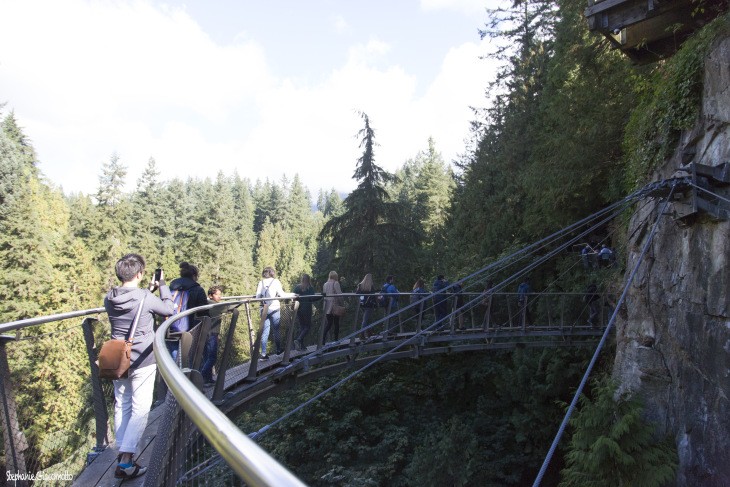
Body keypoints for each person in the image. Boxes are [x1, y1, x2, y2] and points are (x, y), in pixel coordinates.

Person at [104, 253, 176, 480]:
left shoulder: (110, 297)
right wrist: (162, 285)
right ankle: (126, 461)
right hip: (143, 359)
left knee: (122, 406)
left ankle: (122, 454)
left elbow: (131, 308)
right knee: (139, 409)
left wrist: (148, 292)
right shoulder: (144, 296)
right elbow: (169, 309)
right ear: (140, 274)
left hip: (118, 359)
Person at [168, 262, 208, 362]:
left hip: (171, 327)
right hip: (191, 329)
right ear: (194, 276)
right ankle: (187, 377)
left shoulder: (171, 288)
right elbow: (204, 311)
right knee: (191, 358)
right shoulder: (197, 289)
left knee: (174, 357)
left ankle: (173, 375)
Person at [255, 266, 292, 358]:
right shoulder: (275, 281)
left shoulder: (261, 282)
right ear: (272, 273)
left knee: (265, 331)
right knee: (276, 330)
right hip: (274, 308)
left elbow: (257, 297)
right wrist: (293, 295)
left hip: (263, 309)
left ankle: (263, 354)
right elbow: (282, 295)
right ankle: (278, 350)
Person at [200, 285, 223, 384]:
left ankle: (207, 379)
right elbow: (225, 308)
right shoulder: (214, 306)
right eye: (217, 295)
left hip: (204, 333)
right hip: (211, 334)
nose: (219, 297)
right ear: (210, 295)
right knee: (212, 357)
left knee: (206, 357)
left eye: (220, 295)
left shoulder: (205, 304)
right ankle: (201, 375)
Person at [293, 274, 321, 351]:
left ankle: (302, 346)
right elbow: (312, 298)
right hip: (307, 309)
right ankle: (298, 340)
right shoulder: (310, 288)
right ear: (309, 280)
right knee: (307, 327)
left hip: (298, 309)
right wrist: (321, 297)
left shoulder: (297, 287)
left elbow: (294, 297)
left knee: (302, 327)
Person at [322, 270, 344, 343]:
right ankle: (336, 339)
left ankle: (323, 339)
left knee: (329, 323)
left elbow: (324, 295)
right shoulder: (336, 283)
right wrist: (342, 303)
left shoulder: (325, 284)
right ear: (335, 276)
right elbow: (340, 295)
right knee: (336, 323)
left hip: (327, 307)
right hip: (335, 306)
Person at [356, 273, 377, 338]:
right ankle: (362, 334)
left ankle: (369, 332)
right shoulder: (371, 286)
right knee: (366, 319)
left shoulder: (360, 285)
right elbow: (373, 296)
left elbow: (357, 293)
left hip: (362, 305)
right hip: (369, 305)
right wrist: (376, 304)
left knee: (367, 319)